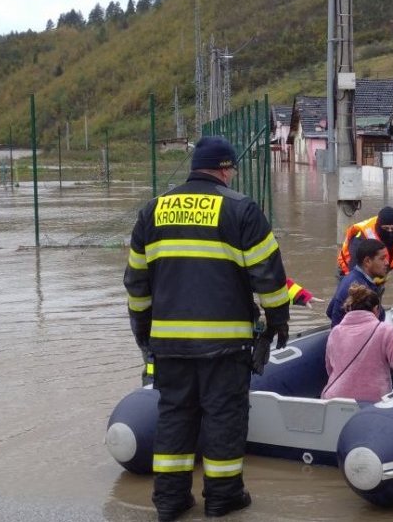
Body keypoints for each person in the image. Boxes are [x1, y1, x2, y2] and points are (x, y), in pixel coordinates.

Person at [124, 135, 290, 521]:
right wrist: (277, 322)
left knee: (175, 416)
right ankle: (222, 498)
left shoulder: (152, 212)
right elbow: (269, 277)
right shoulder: (242, 210)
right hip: (225, 343)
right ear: (226, 169)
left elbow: (136, 284)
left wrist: (143, 332)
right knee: (223, 416)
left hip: (169, 344)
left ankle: (169, 500)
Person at [322, 284, 393, 402]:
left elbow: (330, 368)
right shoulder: (384, 330)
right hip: (368, 402)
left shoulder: (335, 332)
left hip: (333, 398)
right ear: (376, 309)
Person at [327, 238, 393, 346]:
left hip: (343, 341)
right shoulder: (363, 291)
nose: (387, 263)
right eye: (382, 258)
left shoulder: (350, 278)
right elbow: (376, 334)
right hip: (355, 346)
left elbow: (330, 311)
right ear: (367, 262)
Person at [337, 207, 393, 306]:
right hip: (350, 271)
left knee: (375, 303)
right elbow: (355, 268)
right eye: (386, 229)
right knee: (352, 303)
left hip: (378, 273)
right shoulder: (363, 236)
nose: (390, 232)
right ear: (379, 226)